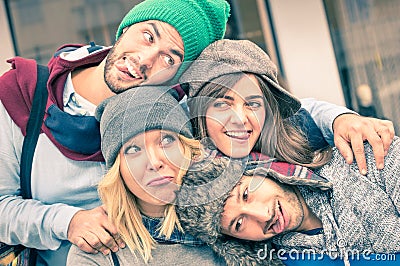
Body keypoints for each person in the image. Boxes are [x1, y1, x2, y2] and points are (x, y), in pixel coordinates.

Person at [0, 0, 230, 265]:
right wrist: (68, 222)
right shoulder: (22, 93)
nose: (144, 60)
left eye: (168, 59)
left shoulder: (175, 116)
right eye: (148, 36)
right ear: (125, 28)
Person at [180, 39, 395, 173]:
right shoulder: (177, 166)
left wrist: (341, 119)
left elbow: (306, 112)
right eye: (222, 104)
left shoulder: (291, 145)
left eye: (253, 103)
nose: (239, 118)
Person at [176, 137, 400, 265]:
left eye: (245, 194)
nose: (263, 216)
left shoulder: (367, 160)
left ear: (257, 171)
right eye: (239, 224)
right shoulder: (283, 260)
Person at [67, 86, 224, 265]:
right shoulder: (97, 248)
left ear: (189, 150)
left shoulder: (232, 222)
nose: (154, 162)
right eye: (133, 149)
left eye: (166, 140)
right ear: (118, 171)